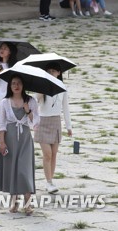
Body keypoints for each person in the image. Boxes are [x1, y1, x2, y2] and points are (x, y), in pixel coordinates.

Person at [0, 75, 39, 216]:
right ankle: (14, 202)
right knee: (12, 169)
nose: (16, 86)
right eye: (13, 83)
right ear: (10, 86)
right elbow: (1, 124)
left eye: (19, 83)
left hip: (25, 139)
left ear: (23, 85)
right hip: (9, 138)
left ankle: (28, 204)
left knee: (24, 170)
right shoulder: (4, 102)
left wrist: (28, 111)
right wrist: (2, 142)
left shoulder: (31, 101)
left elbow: (36, 123)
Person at [34, 62, 72, 194]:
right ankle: (49, 182)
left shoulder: (62, 87)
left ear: (58, 73)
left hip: (56, 121)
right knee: (47, 154)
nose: (51, 73)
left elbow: (65, 108)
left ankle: (50, 180)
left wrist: (69, 126)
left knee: (54, 153)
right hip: (43, 121)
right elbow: (33, 101)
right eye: (48, 71)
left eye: (53, 71)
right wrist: (40, 91)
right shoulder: (42, 86)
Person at [0, 42, 17, 121]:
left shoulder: (15, 66)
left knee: (11, 122)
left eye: (5, 48)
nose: (2, 50)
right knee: (0, 122)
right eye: (1, 48)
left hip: (11, 98)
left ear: (10, 52)